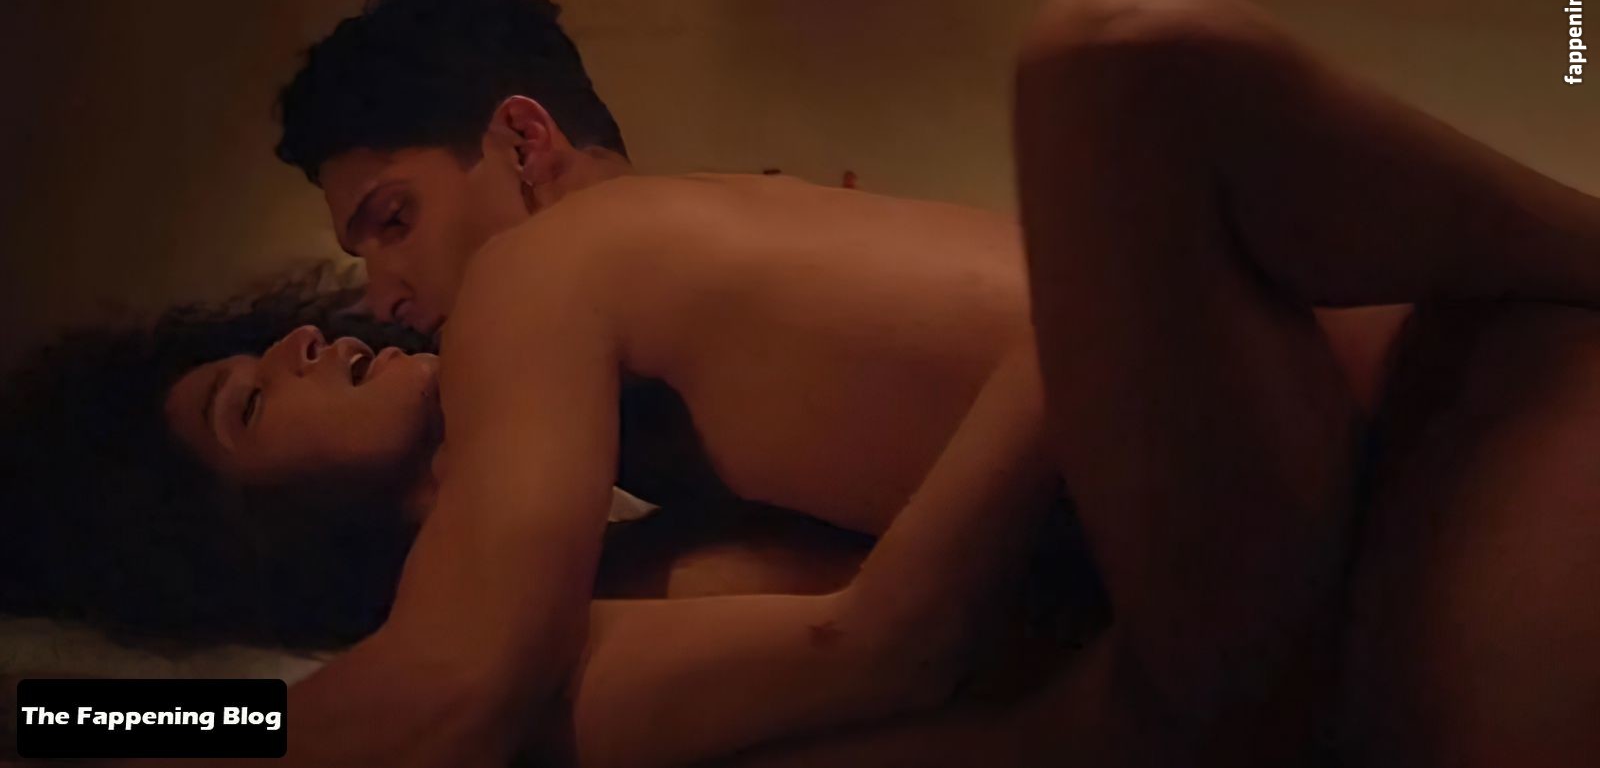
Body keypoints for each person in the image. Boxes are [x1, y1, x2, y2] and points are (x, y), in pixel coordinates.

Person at [271, 0, 1600, 768]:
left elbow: (449, 687)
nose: (380, 297)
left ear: (522, 143)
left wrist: (153, 724)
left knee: (1112, 51)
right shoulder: (723, 286)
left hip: (1427, 442)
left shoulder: (540, 274)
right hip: (1405, 505)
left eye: (390, 219)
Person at [1, 268, 1084, 768]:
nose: (301, 344)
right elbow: (305, 719)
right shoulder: (549, 641)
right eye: (247, 404)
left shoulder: (571, 398)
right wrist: (73, 720)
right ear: (244, 538)